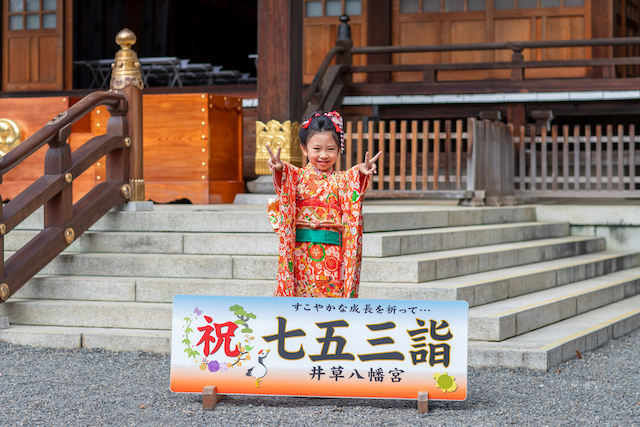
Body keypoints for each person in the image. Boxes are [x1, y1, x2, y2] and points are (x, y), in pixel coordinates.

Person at [266, 110, 381, 298]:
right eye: (317, 149)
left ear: (338, 149)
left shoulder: (343, 179)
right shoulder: (296, 176)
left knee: (330, 296)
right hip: (300, 252)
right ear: (304, 149)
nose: (324, 155)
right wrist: (279, 168)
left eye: (330, 149)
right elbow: (285, 174)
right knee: (300, 296)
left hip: (332, 254)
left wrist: (361, 171)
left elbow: (354, 178)